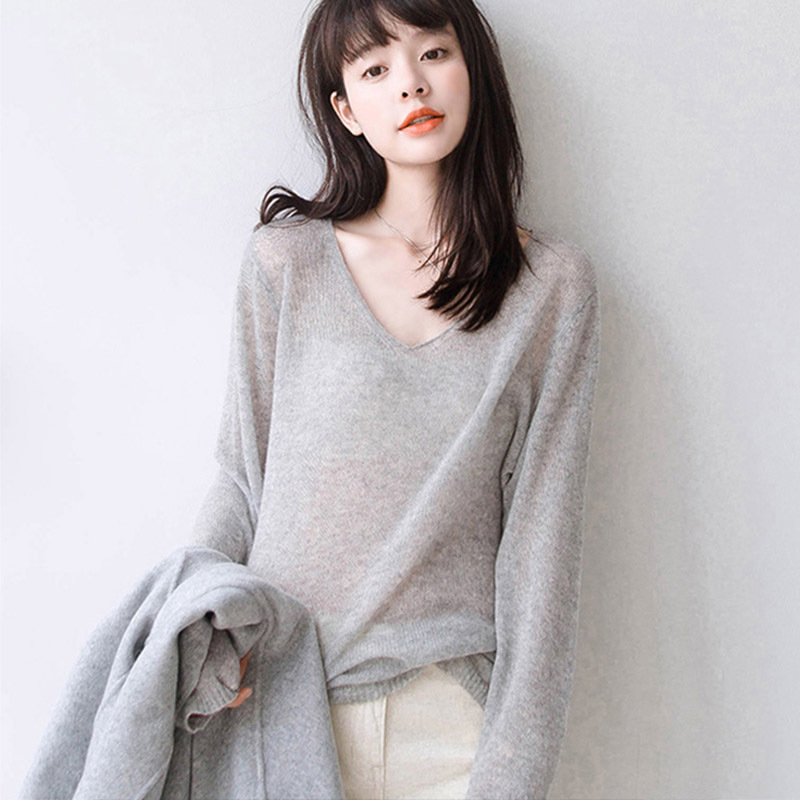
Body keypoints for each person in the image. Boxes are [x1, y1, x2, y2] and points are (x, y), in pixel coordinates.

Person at [192, 0, 601, 798]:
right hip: (278, 703)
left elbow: (542, 549)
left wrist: (513, 774)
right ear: (346, 110)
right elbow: (241, 479)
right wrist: (198, 633)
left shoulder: (552, 290)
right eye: (375, 69)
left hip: (450, 723)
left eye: (433, 53)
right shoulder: (285, 264)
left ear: (472, 70)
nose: (411, 84)